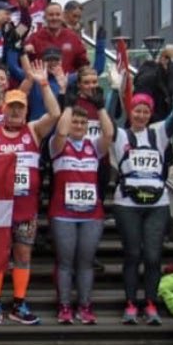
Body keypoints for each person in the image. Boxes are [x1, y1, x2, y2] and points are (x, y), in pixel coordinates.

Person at [0, 61, 60, 325]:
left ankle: (19, 303)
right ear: (3, 108)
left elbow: (55, 114)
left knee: (23, 255)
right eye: (11, 107)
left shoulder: (33, 131)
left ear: (25, 111)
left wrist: (43, 83)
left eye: (19, 108)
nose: (15, 112)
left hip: (25, 208)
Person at [111, 90, 173, 326]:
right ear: (130, 112)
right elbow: (107, 118)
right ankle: (131, 303)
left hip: (157, 204)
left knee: (152, 255)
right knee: (132, 254)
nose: (141, 115)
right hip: (127, 203)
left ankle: (150, 303)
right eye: (137, 110)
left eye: (145, 111)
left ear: (151, 114)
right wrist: (113, 91)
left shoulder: (158, 133)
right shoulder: (120, 135)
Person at [48, 89, 113, 325]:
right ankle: (64, 305)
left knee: (85, 262)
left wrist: (102, 108)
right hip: (63, 213)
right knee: (65, 262)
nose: (78, 125)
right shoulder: (57, 146)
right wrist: (67, 106)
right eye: (75, 121)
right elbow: (62, 130)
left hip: (91, 214)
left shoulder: (94, 147)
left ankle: (85, 305)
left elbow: (109, 133)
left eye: (83, 122)